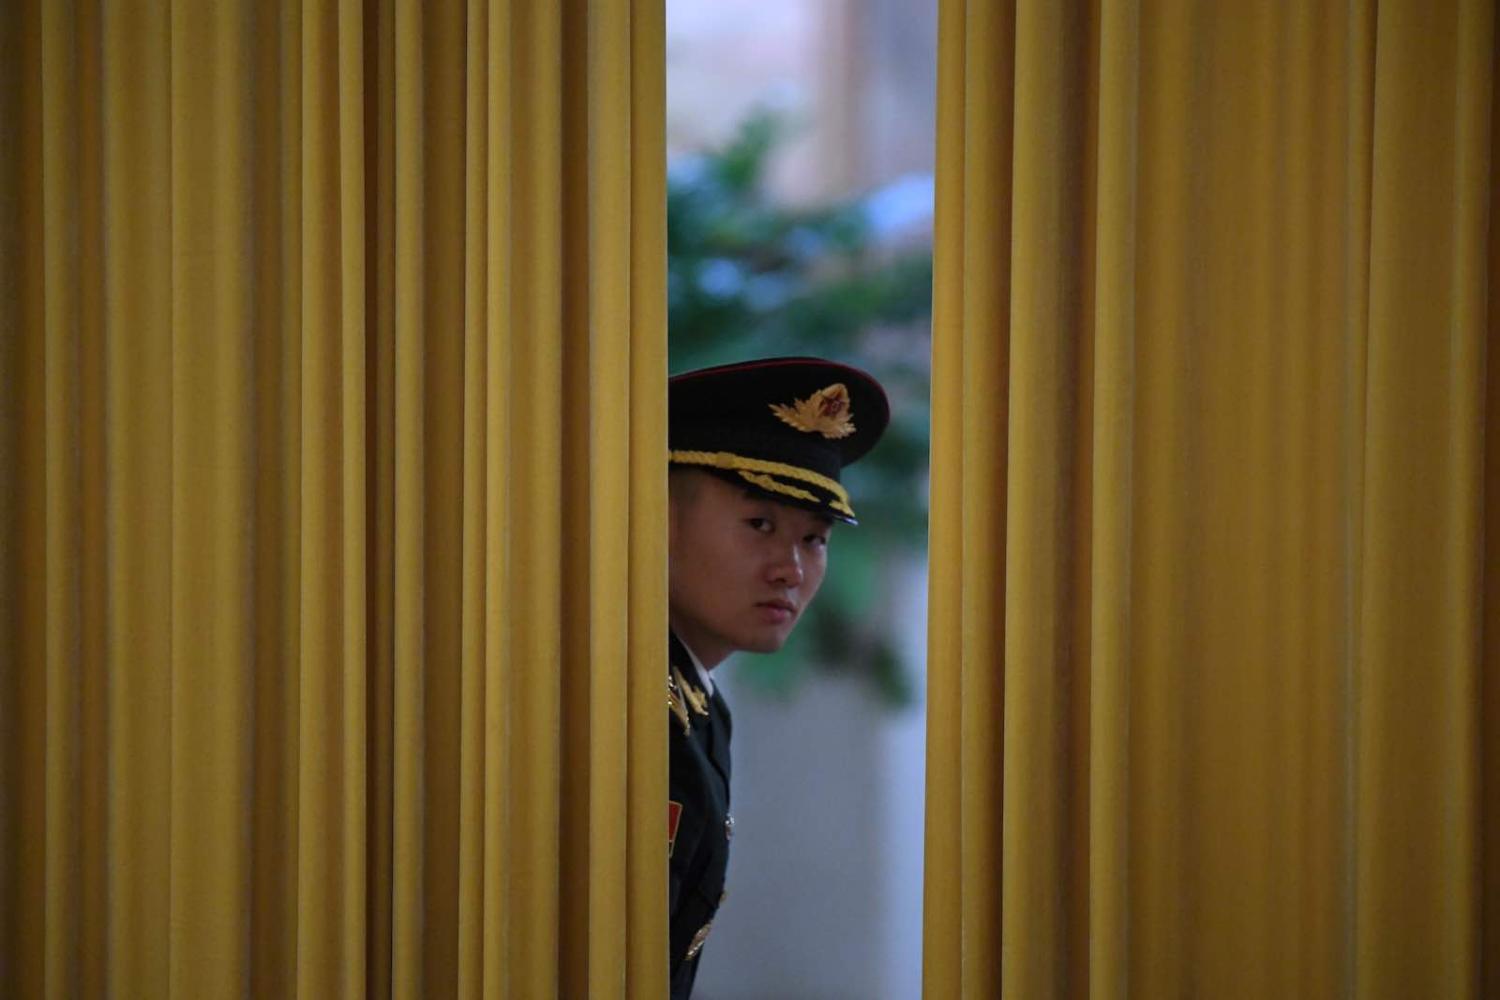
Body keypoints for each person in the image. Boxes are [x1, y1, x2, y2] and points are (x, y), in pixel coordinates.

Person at [665, 356, 890, 999]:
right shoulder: (627, 706)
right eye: (760, 524)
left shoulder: (694, 700)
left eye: (814, 538)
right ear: (656, 518)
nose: (790, 569)